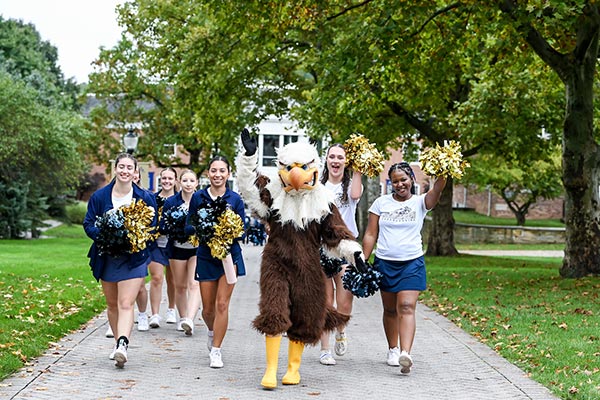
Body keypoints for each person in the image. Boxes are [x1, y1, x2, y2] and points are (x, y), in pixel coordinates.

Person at [361, 162, 446, 374]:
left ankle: (405, 353)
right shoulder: (381, 203)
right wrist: (363, 259)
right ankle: (393, 348)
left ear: (412, 180)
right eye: (395, 181)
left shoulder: (420, 202)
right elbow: (371, 234)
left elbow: (437, 189)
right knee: (390, 309)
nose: (400, 184)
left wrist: (444, 169)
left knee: (407, 306)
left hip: (412, 263)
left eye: (403, 179)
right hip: (385, 262)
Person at [83, 153, 157, 368]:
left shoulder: (144, 197)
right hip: (106, 256)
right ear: (115, 169)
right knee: (112, 304)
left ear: (136, 172)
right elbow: (88, 224)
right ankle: (117, 342)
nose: (125, 171)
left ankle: (123, 344)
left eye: (129, 168)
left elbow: (153, 226)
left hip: (134, 258)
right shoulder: (99, 197)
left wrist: (134, 238)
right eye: (121, 166)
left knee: (126, 303)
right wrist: (104, 235)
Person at [187, 156, 246, 368]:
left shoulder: (235, 199)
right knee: (208, 309)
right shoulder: (198, 197)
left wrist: (227, 232)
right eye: (214, 170)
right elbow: (188, 226)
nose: (217, 175)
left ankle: (217, 350)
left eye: (222, 171)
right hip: (206, 256)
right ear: (208, 173)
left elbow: (243, 230)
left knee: (222, 304)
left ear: (228, 174)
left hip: (229, 257)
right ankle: (212, 331)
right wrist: (203, 228)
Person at [318, 143, 363, 366]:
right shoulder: (318, 186)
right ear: (326, 160)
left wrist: (359, 167)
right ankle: (325, 350)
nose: (336, 161)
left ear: (346, 162)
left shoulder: (350, 187)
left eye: (340, 158)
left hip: (346, 247)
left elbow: (355, 194)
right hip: (324, 247)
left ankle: (341, 331)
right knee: (326, 300)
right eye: (332, 157)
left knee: (344, 301)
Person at [139, 167, 178, 329]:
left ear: (175, 181)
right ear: (160, 180)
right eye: (164, 178)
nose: (167, 181)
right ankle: (154, 314)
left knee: (173, 280)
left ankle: (171, 309)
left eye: (170, 178)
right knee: (156, 278)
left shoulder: (180, 200)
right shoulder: (152, 199)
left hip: (175, 243)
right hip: (155, 244)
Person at [162, 170, 200, 336]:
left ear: (197, 183)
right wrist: (178, 228)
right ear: (179, 182)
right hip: (176, 248)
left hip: (196, 249)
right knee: (180, 286)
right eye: (185, 180)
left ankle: (189, 320)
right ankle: (182, 317)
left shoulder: (201, 201)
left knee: (194, 284)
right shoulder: (171, 202)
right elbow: (164, 225)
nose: (188, 183)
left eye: (192, 180)